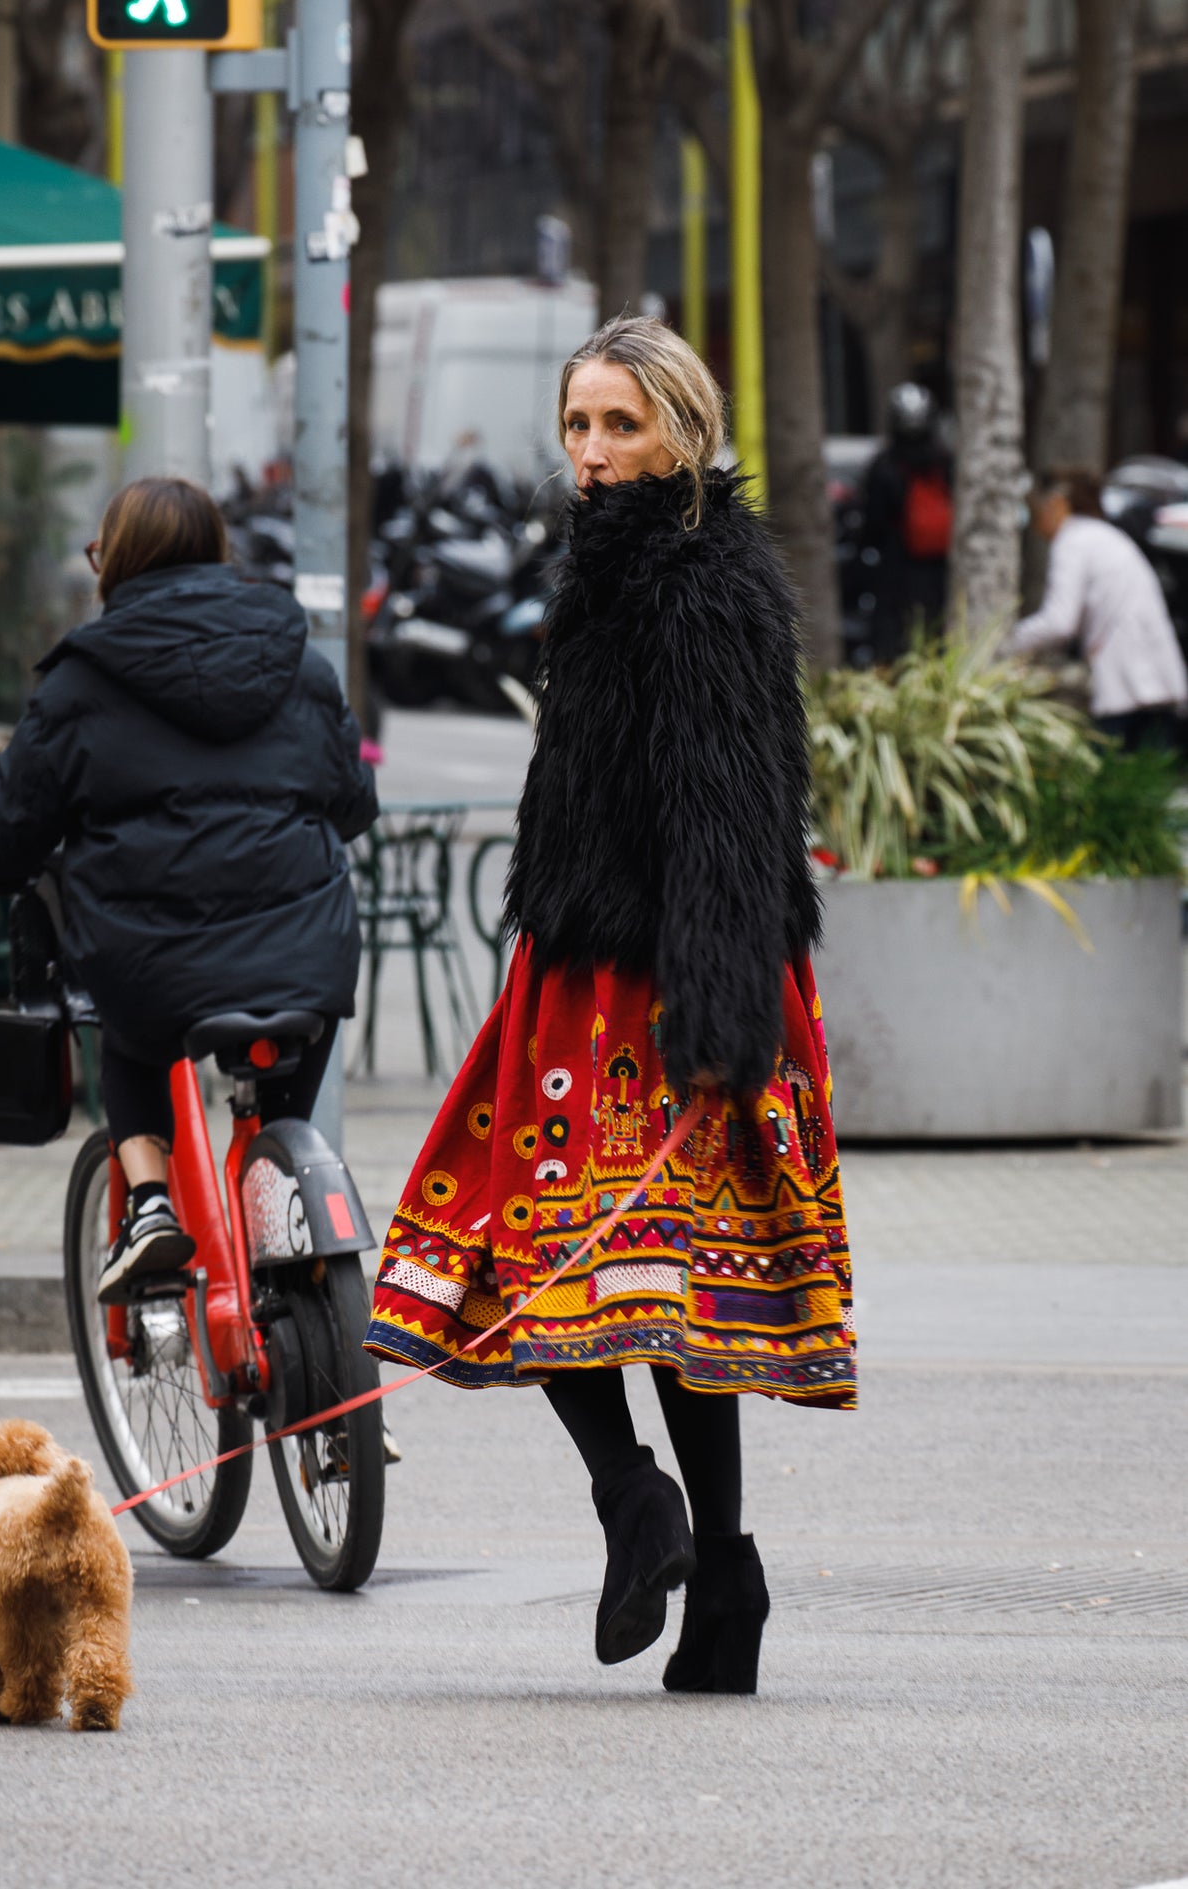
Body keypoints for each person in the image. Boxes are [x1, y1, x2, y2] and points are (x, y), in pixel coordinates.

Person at [364, 316, 855, 1694]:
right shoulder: (617, 560)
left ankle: (688, 1549)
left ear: (683, 433)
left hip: (670, 978)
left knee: (622, 1277)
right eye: (576, 425)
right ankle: (674, 1538)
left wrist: (713, 1020)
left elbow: (731, 814)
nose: (590, 452)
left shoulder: (693, 577)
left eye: (619, 426)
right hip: (581, 965)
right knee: (568, 1271)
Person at [0, 476, 377, 1300]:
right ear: (219, 553)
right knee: (282, 1116)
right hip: (307, 952)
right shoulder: (299, 660)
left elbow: (9, 828)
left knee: (131, 1034)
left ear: (115, 561)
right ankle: (314, 1297)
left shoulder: (79, 681)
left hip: (154, 966)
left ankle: (146, 1203)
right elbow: (354, 805)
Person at [1013, 467, 1188, 751]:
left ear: (1057, 505)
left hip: (1125, 685)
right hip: (1154, 678)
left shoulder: (1072, 541)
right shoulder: (1101, 534)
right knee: (1155, 780)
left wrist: (1008, 641)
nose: (1034, 526)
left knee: (1110, 775)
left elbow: (1059, 621)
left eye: (1035, 513)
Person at [861, 382, 954, 663]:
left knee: (894, 636)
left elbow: (872, 523)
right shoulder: (947, 462)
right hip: (941, 570)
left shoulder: (884, 465)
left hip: (897, 568)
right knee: (937, 632)